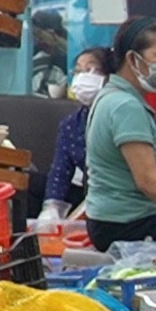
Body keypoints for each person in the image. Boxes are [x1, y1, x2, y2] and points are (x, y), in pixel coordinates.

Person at [84, 17, 156, 251]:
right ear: (132, 59)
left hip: (116, 221)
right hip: (129, 224)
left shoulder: (113, 96)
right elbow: (147, 182)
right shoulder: (125, 106)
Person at [37, 45, 109, 228]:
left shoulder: (120, 115)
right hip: (89, 195)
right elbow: (60, 171)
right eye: (78, 71)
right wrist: (52, 207)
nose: (83, 77)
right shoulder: (71, 125)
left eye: (92, 70)